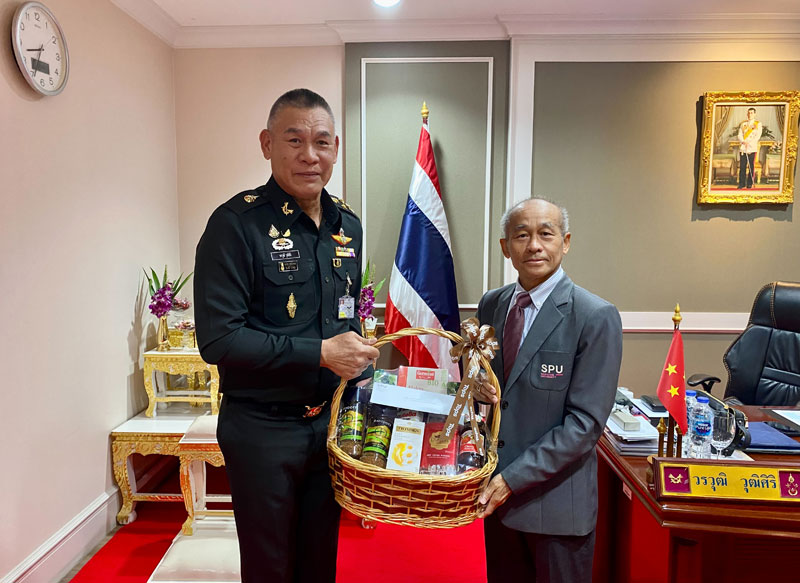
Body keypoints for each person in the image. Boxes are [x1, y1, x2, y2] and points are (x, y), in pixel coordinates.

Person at [194, 88, 380, 583]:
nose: (309, 155)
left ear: (336, 147)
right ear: (267, 144)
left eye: (321, 142)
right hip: (262, 429)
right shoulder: (236, 225)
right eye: (294, 140)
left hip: (329, 427)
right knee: (271, 566)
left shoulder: (348, 227)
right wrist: (319, 353)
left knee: (320, 560)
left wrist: (357, 354)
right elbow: (218, 340)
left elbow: (343, 319)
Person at [475, 198, 623, 583]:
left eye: (546, 234)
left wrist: (511, 480)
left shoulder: (594, 315)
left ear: (566, 242)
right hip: (496, 505)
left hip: (556, 510)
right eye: (521, 235)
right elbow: (495, 392)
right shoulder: (493, 304)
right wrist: (474, 385)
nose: (534, 245)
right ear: (505, 247)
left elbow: (584, 425)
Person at [737, 107, 762, 189]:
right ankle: (741, 183)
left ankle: (749, 183)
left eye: (751, 113)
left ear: (754, 114)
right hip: (743, 147)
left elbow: (757, 136)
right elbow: (739, 135)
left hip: (752, 148)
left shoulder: (758, 124)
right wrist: (743, 141)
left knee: (751, 166)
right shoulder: (743, 124)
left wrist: (749, 143)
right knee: (742, 166)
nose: (750, 114)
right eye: (748, 113)